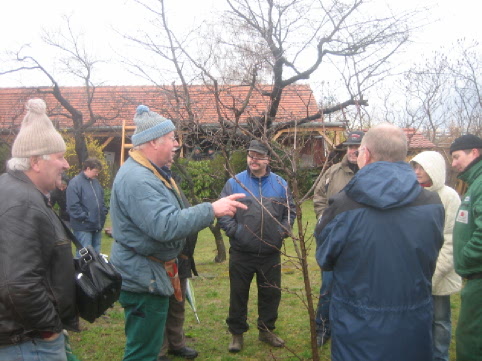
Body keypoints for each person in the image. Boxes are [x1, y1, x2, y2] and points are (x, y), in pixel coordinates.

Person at [109, 104, 247, 361]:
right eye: (171, 139)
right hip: (143, 279)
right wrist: (211, 209)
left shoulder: (152, 173)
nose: (175, 144)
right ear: (153, 143)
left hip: (150, 273)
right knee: (142, 353)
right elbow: (165, 225)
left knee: (147, 348)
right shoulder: (139, 179)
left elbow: (171, 214)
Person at [315, 123, 444, 361]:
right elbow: (431, 255)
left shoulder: (343, 205)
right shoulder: (432, 203)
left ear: (366, 154)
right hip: (413, 330)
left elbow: (325, 258)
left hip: (357, 330)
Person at [0, 99, 77, 361]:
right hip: (27, 342)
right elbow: (19, 284)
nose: (66, 164)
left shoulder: (14, 190)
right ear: (35, 161)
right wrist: (49, 329)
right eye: (60, 157)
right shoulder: (23, 203)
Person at [218, 139, 296, 353]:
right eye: (251, 155)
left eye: (259, 156)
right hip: (242, 252)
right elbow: (224, 213)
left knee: (271, 294)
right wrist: (237, 232)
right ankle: (236, 334)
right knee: (238, 294)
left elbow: (291, 211)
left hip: (270, 252)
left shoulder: (280, 184)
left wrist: (282, 232)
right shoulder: (235, 182)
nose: (253, 159)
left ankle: (266, 330)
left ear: (268, 159)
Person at [312, 130, 364, 346]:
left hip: (361, 241)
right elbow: (318, 197)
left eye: (358, 146)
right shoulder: (332, 172)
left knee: (359, 288)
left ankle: (353, 330)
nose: (354, 150)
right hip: (333, 239)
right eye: (351, 146)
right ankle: (323, 328)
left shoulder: (370, 172)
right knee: (328, 286)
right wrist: (325, 221)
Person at [410, 151, 462, 361]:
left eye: (423, 167)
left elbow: (452, 239)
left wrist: (435, 274)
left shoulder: (449, 197)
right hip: (414, 271)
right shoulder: (410, 193)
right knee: (415, 317)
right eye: (415, 167)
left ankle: (439, 356)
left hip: (439, 270)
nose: (418, 172)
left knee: (440, 319)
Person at [158, 160, 199, 361]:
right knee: (161, 303)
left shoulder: (173, 183)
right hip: (164, 257)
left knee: (178, 303)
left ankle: (177, 343)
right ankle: (160, 349)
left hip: (182, 257)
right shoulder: (154, 185)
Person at [449, 134, 482, 360]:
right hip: (474, 277)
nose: (453, 164)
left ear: (475, 153)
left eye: (456, 157)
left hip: (478, 275)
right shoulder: (474, 183)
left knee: (471, 340)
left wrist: (467, 258)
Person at [67, 157, 108, 255]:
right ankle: (82, 271)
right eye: (95, 171)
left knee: (96, 255)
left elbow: (101, 200)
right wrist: (85, 217)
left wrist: (103, 212)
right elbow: (72, 206)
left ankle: (96, 271)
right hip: (83, 227)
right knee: (84, 256)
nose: (97, 174)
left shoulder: (96, 183)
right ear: (88, 168)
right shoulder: (75, 183)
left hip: (97, 225)